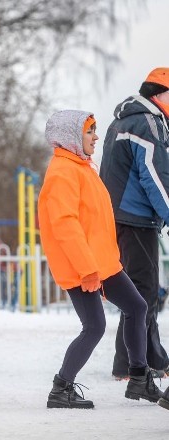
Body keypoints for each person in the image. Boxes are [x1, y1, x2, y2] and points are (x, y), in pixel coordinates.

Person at [39, 110, 165, 408]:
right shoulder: (62, 173)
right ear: (71, 137)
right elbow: (66, 226)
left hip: (103, 262)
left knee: (137, 306)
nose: (96, 137)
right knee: (94, 327)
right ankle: (61, 389)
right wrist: (87, 270)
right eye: (90, 132)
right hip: (83, 266)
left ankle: (138, 377)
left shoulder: (82, 167)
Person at [99, 68, 169, 380]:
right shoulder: (147, 122)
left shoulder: (125, 120)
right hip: (135, 216)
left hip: (117, 214)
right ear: (160, 94)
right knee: (144, 293)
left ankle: (139, 361)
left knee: (137, 294)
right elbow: (155, 176)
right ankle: (138, 363)